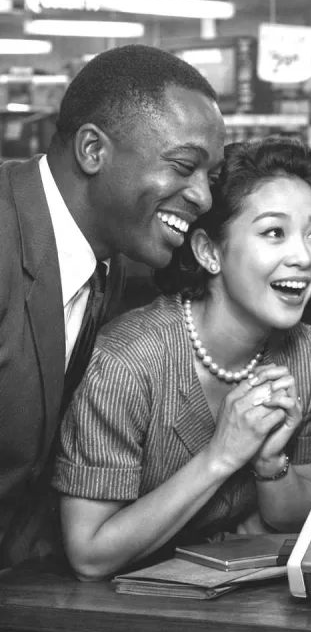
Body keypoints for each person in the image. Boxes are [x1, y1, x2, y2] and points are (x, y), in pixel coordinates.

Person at [52, 137, 311, 581]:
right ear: (209, 252)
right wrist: (221, 456)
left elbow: (309, 520)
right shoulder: (126, 363)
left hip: (243, 605)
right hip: (105, 608)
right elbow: (89, 554)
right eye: (274, 233)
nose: (303, 257)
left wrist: (270, 466)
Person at [0, 44, 226, 569]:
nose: (204, 197)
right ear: (92, 150)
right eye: (183, 166)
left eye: (210, 176)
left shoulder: (114, 256)